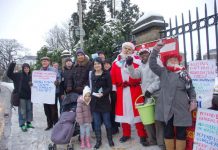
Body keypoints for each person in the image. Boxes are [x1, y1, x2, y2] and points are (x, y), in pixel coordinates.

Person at [149, 41, 197, 150]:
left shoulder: (184, 74)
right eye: (170, 60)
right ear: (166, 62)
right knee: (168, 131)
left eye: (175, 59)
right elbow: (152, 64)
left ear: (178, 61)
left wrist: (193, 100)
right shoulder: (163, 72)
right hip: (167, 107)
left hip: (181, 107)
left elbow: (191, 88)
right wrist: (156, 50)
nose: (173, 61)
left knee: (181, 133)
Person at [126, 47, 166, 149]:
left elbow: (160, 78)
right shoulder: (141, 65)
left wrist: (150, 90)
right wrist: (130, 65)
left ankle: (161, 143)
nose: (143, 55)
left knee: (158, 119)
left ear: (149, 53)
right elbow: (135, 75)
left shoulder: (156, 61)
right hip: (147, 95)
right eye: (141, 54)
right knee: (147, 119)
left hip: (157, 93)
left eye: (145, 53)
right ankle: (152, 140)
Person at [110, 42, 148, 146]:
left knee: (138, 112)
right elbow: (113, 76)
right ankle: (126, 134)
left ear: (132, 50)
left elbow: (141, 75)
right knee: (124, 113)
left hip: (134, 89)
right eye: (125, 48)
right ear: (122, 49)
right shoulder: (116, 63)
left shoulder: (137, 61)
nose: (126, 50)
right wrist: (114, 89)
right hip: (122, 91)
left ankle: (142, 134)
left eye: (129, 49)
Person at [90, 57, 114, 149]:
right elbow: (91, 86)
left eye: (98, 64)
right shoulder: (92, 74)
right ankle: (98, 141)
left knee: (107, 122)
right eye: (95, 64)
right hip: (95, 102)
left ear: (101, 65)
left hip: (104, 101)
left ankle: (110, 139)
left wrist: (103, 93)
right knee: (96, 123)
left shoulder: (106, 74)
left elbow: (109, 87)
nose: (97, 65)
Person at [7, 61, 34, 132]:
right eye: (25, 68)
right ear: (23, 69)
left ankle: (28, 123)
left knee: (29, 110)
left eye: (27, 68)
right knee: (22, 111)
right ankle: (22, 124)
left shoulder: (32, 76)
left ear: (29, 68)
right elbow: (9, 74)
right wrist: (12, 65)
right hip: (21, 97)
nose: (26, 69)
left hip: (30, 97)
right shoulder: (18, 75)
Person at [40, 57, 61, 131]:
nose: (44, 63)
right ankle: (49, 124)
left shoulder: (53, 70)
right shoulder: (40, 70)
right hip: (44, 93)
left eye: (45, 61)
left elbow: (59, 78)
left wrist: (57, 82)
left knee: (53, 109)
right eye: (43, 61)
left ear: (49, 62)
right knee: (46, 110)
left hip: (52, 93)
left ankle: (56, 124)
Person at [103, 59, 120, 134]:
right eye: (105, 64)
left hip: (113, 93)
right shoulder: (103, 73)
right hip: (106, 94)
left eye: (108, 64)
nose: (106, 65)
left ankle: (115, 127)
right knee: (108, 112)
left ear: (110, 64)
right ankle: (110, 127)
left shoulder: (113, 71)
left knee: (113, 111)